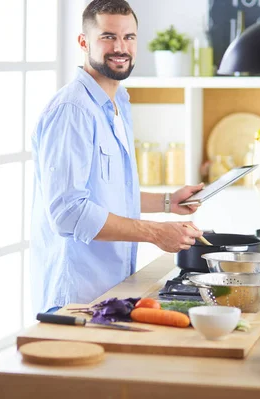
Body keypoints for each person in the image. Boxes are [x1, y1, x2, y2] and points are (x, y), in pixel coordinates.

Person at [30, 0, 204, 315]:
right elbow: (69, 213)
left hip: (111, 289)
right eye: (108, 37)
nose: (120, 47)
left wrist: (168, 202)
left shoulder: (117, 101)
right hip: (75, 298)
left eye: (129, 37)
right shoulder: (72, 110)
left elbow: (108, 194)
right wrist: (155, 232)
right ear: (84, 42)